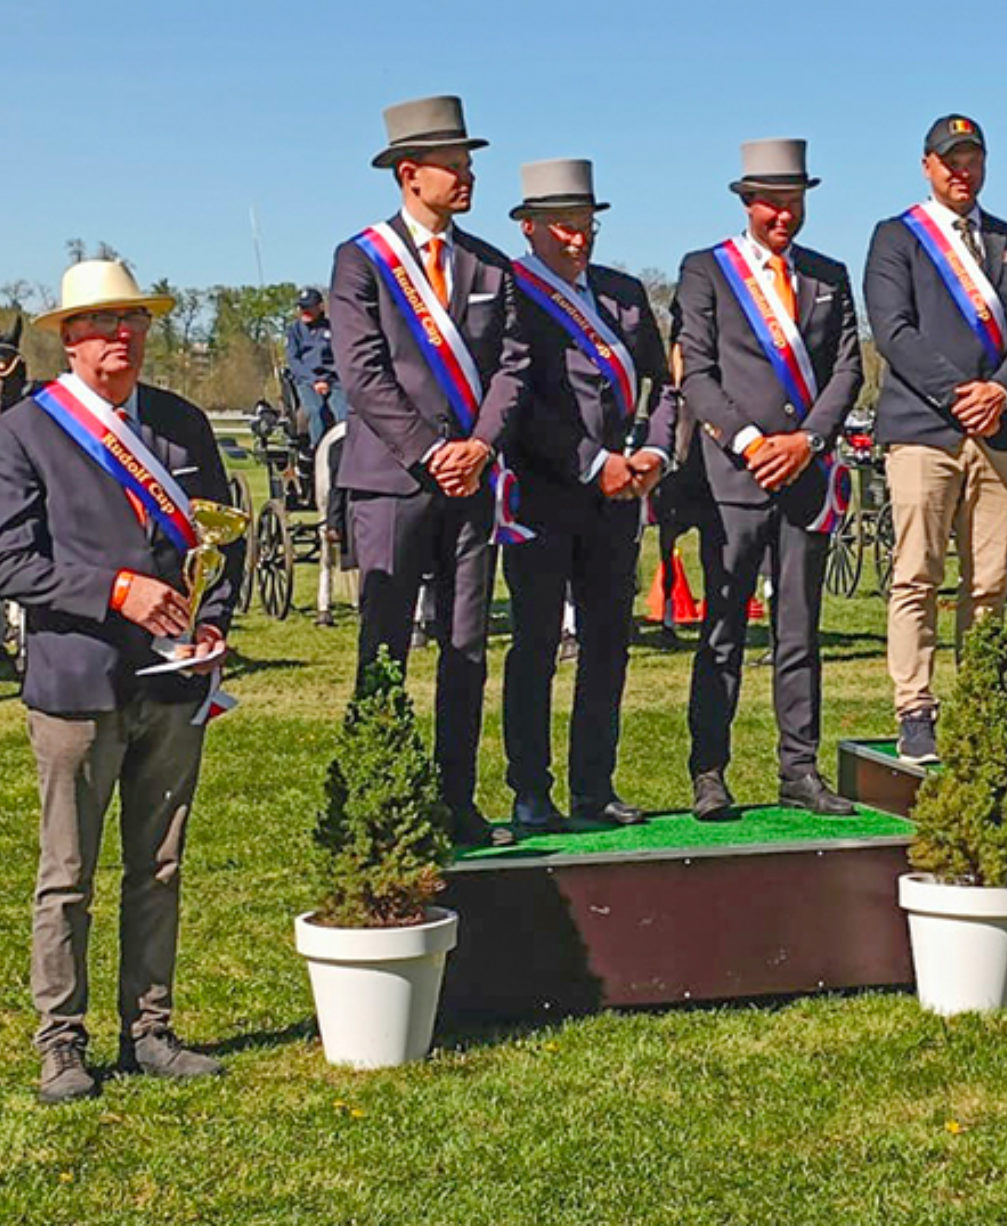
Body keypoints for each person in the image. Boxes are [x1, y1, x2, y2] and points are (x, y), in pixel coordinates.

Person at [0, 258, 243, 1103]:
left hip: (171, 683)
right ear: (69, 338)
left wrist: (214, 618)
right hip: (78, 681)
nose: (119, 334)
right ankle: (61, 1040)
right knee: (68, 874)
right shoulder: (28, 430)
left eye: (132, 319)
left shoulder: (179, 422)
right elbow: (4, 559)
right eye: (101, 322)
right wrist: (114, 591)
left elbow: (216, 546)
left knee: (158, 867)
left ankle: (150, 1029)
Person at [330, 95, 534, 848]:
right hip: (392, 481)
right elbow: (362, 370)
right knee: (383, 644)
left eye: (470, 163)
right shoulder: (362, 259)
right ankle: (374, 800)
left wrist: (479, 446)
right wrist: (428, 450)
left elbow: (513, 365)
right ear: (410, 174)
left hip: (472, 484)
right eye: (455, 165)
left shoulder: (489, 264)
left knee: (466, 645)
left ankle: (457, 797)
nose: (469, 175)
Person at [675, 138, 864, 820]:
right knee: (723, 632)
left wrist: (808, 441)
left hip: (805, 476)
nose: (783, 216)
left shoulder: (828, 275)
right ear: (747, 203)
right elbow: (696, 372)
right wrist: (754, 443)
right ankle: (709, 771)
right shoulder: (707, 272)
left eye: (794, 203)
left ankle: (799, 768)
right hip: (735, 476)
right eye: (771, 204)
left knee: (799, 632)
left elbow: (848, 369)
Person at [500, 158, 675, 830]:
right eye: (564, 226)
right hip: (545, 493)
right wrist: (591, 461)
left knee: (608, 644)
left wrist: (654, 452)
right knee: (537, 644)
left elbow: (664, 385)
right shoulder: (512, 291)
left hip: (622, 494)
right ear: (529, 227)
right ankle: (531, 790)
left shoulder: (625, 294)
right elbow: (519, 401)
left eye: (586, 225)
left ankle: (593, 787)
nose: (579, 238)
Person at [865, 114, 1007, 763]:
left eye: (972, 159)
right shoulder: (897, 238)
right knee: (917, 575)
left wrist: (1001, 391)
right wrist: (960, 393)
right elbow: (894, 330)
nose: (961, 171)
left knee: (990, 579)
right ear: (927, 165)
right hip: (922, 429)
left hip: (998, 430)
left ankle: (979, 700)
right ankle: (916, 706)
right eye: (949, 161)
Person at [283, 287, 345, 450]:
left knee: (344, 414)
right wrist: (314, 380)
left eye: (308, 307)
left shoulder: (332, 329)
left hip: (333, 381)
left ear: (320, 307)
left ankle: (346, 453)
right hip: (307, 381)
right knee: (315, 411)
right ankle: (316, 450)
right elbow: (294, 360)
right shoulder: (294, 331)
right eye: (301, 307)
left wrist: (329, 379)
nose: (304, 311)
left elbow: (342, 356)